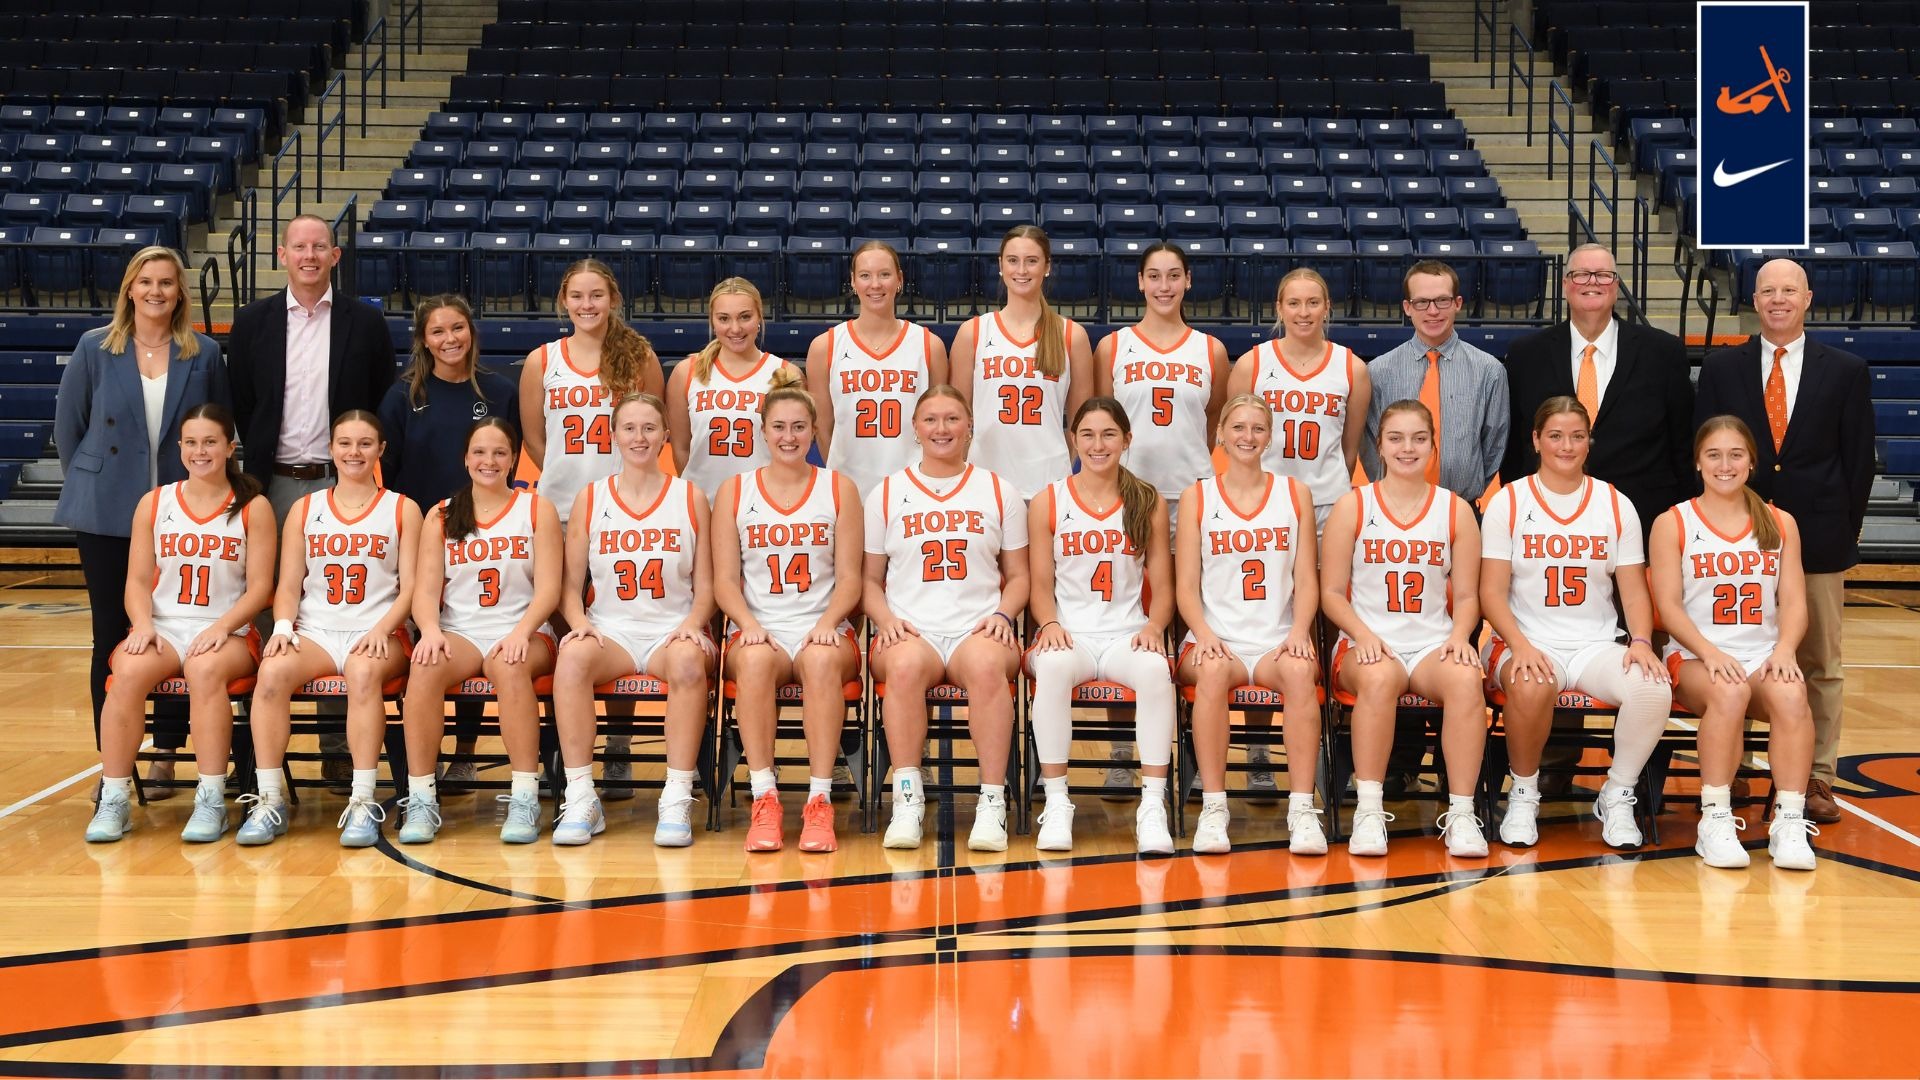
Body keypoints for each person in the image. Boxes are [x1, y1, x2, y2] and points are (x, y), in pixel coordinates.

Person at [1693, 258, 1874, 825]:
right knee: (1737, 652)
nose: (1777, 299)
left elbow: (1857, 460)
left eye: (1788, 290)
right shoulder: (1723, 368)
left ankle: (1817, 774)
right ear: (1753, 299)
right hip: (1734, 537)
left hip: (1817, 539)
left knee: (1818, 663)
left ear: (1808, 298)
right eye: (1767, 290)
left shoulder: (1844, 369)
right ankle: (1741, 763)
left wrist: (1843, 530)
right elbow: (1702, 449)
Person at [55, 246, 227, 789]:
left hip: (183, 515)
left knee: (180, 630)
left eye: (167, 283)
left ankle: (168, 753)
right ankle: (115, 767)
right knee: (111, 631)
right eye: (145, 282)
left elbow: (219, 426)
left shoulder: (202, 353)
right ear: (129, 288)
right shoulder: (94, 348)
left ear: (181, 292)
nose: (156, 292)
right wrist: (98, 485)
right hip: (107, 511)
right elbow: (70, 428)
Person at [1479, 397, 1671, 851]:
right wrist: (1519, 645)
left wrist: (1641, 640)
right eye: (1556, 436)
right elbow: (1490, 591)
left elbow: (1633, 587)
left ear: (1589, 442)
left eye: (1577, 436)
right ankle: (1524, 795)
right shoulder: (1510, 500)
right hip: (1525, 638)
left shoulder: (1615, 503)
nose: (1567, 446)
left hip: (1594, 644)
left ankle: (1618, 793)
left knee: (1652, 687)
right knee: (1530, 683)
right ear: (1536, 440)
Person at [84, 404, 274, 843]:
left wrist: (223, 626)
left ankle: (210, 799)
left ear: (229, 447)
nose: (200, 451)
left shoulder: (253, 507)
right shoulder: (155, 502)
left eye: (210, 442)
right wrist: (143, 624)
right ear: (180, 448)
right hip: (165, 626)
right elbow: (135, 581)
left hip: (228, 629)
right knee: (127, 672)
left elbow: (261, 588)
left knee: (205, 670)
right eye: (191, 442)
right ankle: (114, 798)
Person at [239, 411, 421, 847]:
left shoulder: (402, 508)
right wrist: (283, 626)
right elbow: (288, 585)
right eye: (344, 443)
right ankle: (269, 800)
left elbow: (414, 588)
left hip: (380, 631)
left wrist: (384, 628)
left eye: (364, 443)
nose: (353, 452)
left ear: (381, 450)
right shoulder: (305, 508)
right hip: (317, 631)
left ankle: (362, 801)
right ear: (331, 449)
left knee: (362, 674)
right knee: (271, 675)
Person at [517, 259, 663, 792]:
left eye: (596, 295)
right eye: (577, 296)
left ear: (612, 298)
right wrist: (568, 483)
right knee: (566, 626)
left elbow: (655, 426)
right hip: (558, 509)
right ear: (563, 299)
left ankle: (619, 744)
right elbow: (535, 440)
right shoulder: (542, 360)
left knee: (618, 622)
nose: (587, 305)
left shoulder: (638, 356)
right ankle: (564, 748)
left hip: (623, 507)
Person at [1319, 400, 1489, 859]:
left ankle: (1460, 812)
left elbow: (1470, 596)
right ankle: (1369, 811)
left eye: (1418, 439)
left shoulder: (1455, 510)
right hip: (1367, 642)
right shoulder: (1353, 506)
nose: (1407, 448)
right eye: (1395, 438)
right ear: (1379, 446)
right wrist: (1364, 634)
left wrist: (1458, 638)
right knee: (1377, 679)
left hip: (1432, 641)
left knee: (1467, 680)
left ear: (1434, 446)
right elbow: (1331, 591)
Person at [1648, 416, 1819, 871]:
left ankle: (1789, 819)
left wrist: (1783, 652)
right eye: (1714, 455)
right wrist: (1709, 652)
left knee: (1792, 694)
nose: (1725, 464)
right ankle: (1716, 817)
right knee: (1729, 692)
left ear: (1751, 463)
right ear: (1698, 463)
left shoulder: (1781, 523)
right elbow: (1668, 606)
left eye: (1736, 454)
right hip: (1696, 655)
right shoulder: (1674, 521)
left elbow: (1795, 603)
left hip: (1761, 652)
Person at [865, 387, 1030, 852]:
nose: (942, 429)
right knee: (903, 667)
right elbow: (869, 580)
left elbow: (1019, 575)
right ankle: (907, 799)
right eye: (931, 420)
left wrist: (1003, 613)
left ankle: (992, 802)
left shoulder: (1000, 491)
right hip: (910, 625)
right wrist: (884, 619)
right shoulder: (887, 491)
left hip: (976, 625)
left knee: (985, 666)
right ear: (914, 429)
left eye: (953, 419)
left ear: (969, 428)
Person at [549, 393, 716, 848]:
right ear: (612, 434)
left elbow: (707, 585)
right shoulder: (592, 497)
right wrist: (577, 620)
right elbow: (568, 584)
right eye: (629, 428)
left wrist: (695, 622)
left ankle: (677, 794)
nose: (639, 437)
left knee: (687, 663)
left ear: (665, 435)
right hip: (612, 630)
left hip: (671, 628)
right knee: (571, 661)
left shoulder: (690, 496)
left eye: (649, 428)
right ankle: (582, 795)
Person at [1093, 242, 1229, 788]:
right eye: (1155, 276)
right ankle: (1125, 751)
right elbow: (1100, 420)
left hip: (1193, 498)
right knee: (1130, 622)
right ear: (1141, 283)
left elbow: (1213, 420)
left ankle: (1200, 755)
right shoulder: (1113, 347)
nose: (1165, 285)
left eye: (1174, 275)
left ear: (1189, 281)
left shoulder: (1211, 350)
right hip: (1128, 498)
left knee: (1195, 621)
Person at [711, 370, 864, 854]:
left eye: (799, 427)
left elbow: (851, 579)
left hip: (824, 623)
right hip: (761, 627)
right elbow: (723, 580)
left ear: (815, 430)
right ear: (762, 430)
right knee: (754, 660)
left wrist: (825, 625)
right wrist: (750, 626)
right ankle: (765, 797)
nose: (789, 436)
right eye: (779, 426)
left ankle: (820, 801)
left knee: (820, 660)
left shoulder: (840, 489)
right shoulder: (735, 491)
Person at [377, 295, 519, 793]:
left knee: (474, 627)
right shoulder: (402, 396)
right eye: (438, 331)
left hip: (484, 532)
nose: (450, 339)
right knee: (428, 640)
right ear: (423, 340)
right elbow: (387, 473)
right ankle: (422, 759)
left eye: (458, 328)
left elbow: (508, 457)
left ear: (471, 332)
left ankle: (465, 752)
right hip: (421, 531)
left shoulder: (500, 390)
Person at [397, 418, 561, 845]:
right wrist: (430, 630)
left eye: (500, 453)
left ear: (512, 460)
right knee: (425, 668)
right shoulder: (442, 514)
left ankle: (524, 795)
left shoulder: (535, 508)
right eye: (480, 453)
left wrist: (522, 631)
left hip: (525, 628)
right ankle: (421, 798)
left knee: (509, 667)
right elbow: (424, 589)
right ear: (466, 459)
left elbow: (549, 590)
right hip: (463, 630)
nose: (489, 461)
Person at [1026, 397, 1177, 855]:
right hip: (1069, 633)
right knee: (1050, 669)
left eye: (1109, 434)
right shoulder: (1048, 500)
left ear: (1127, 440)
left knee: (1155, 672)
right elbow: (1038, 583)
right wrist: (1048, 621)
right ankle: (1057, 802)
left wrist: (1155, 626)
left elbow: (1164, 586)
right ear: (1073, 440)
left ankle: (1152, 806)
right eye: (1088, 434)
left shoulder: (1146, 499)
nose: (1098, 444)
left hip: (1124, 633)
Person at [1174, 394, 1324, 855]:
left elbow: (1305, 577)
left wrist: (1299, 633)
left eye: (1258, 428)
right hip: (1217, 637)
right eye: (1238, 427)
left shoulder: (1294, 493)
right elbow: (1186, 587)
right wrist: (1205, 634)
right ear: (1219, 434)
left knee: (1300, 672)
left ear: (1270, 436)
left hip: (1278, 638)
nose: (1247, 437)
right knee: (1214, 672)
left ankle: (1302, 809)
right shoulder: (1197, 495)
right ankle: (1214, 808)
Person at [1500, 244, 1694, 534]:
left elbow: (1683, 444)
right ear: (1565, 285)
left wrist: (1682, 520)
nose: (1592, 282)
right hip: (1545, 520)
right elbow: (1516, 446)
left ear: (1616, 286)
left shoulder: (1664, 353)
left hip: (1644, 520)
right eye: (1581, 275)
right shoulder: (1526, 355)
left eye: (1603, 275)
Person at [228, 214, 398, 520]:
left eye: (319, 247)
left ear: (334, 256)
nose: (309, 256)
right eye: (299, 246)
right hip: (270, 483)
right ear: (282, 255)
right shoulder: (249, 323)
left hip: (345, 480)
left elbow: (381, 397)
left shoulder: (367, 324)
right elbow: (243, 403)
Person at [949, 224, 1095, 500]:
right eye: (1013, 261)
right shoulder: (974, 333)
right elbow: (959, 418)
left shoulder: (1071, 335)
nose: (1022, 270)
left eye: (1032, 261)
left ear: (1047, 267)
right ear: (1001, 266)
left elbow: (1081, 423)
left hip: (1048, 483)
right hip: (985, 482)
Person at [1225, 267, 1372, 527]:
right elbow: (1234, 441)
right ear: (1279, 308)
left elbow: (1349, 451)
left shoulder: (1352, 368)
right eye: (1294, 303)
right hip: (1266, 500)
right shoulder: (1252, 364)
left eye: (1313, 303)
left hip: (1329, 504)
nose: (1303, 313)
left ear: (1326, 307)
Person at [805, 241, 950, 500]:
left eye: (884, 274)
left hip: (915, 490)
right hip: (849, 491)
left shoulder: (929, 345)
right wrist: (842, 478)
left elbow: (943, 423)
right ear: (852, 281)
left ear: (899, 280)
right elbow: (823, 427)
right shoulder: (824, 347)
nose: (875, 284)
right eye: (865, 276)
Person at [1361, 261, 1508, 504]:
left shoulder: (1489, 370)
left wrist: (1467, 493)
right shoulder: (1378, 371)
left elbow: (1494, 444)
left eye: (1442, 300)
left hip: (1461, 505)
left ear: (1457, 303)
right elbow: (1370, 444)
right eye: (1421, 302)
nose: (1433, 311)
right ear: (1407, 307)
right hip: (1393, 505)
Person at [667, 277, 799, 500]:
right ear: (712, 321)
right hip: (703, 503)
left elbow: (794, 446)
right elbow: (680, 448)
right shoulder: (686, 372)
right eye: (724, 318)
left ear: (759, 317)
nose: (735, 328)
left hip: (764, 504)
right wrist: (698, 496)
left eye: (745, 317)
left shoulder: (785, 373)